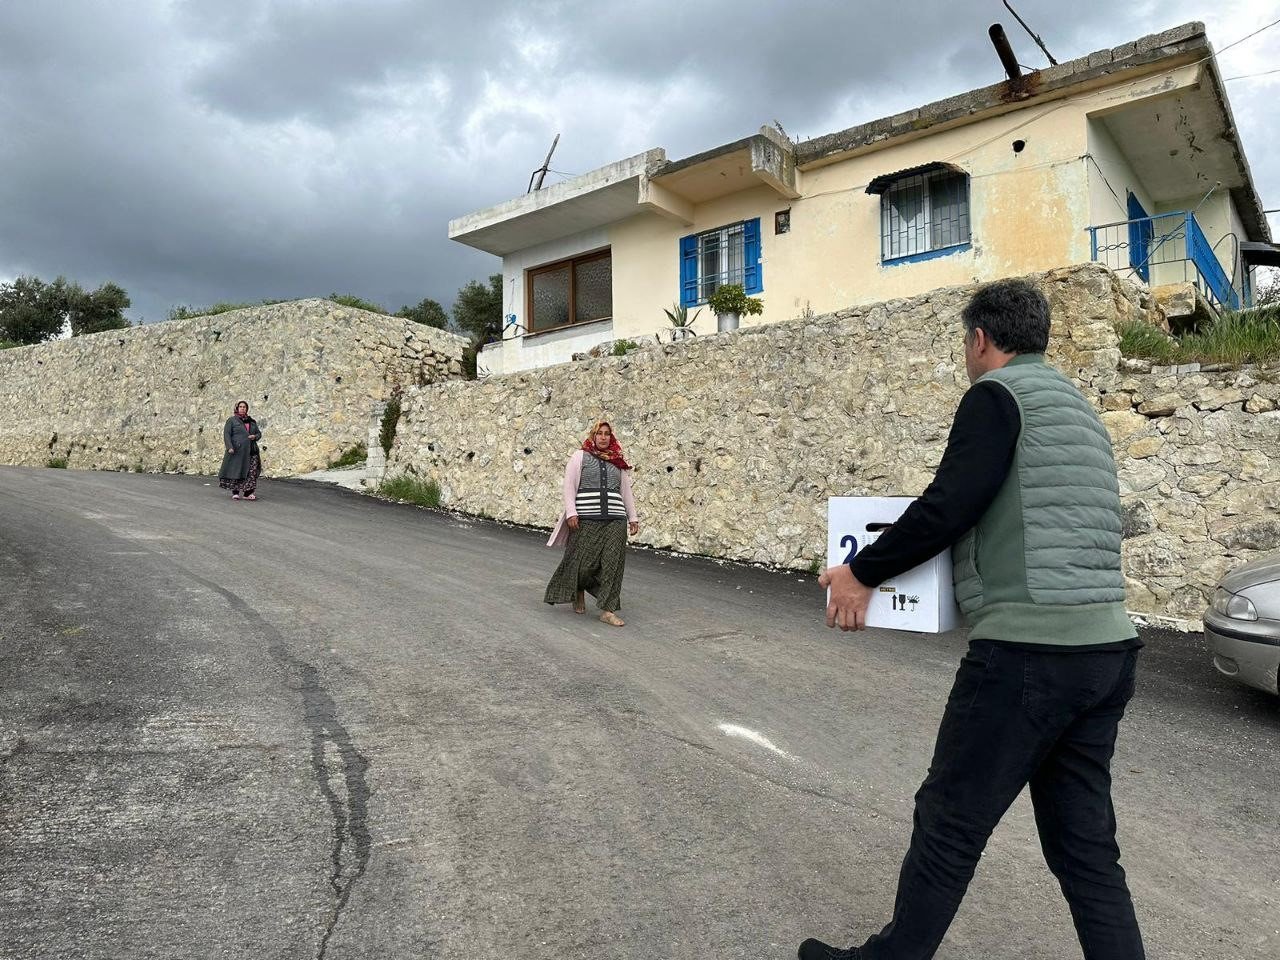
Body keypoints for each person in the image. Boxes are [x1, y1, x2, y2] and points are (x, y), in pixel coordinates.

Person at [802, 279, 1145, 960]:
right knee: (1085, 851)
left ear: (980, 340)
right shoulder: (1078, 410)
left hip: (1028, 652)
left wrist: (861, 572)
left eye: (965, 343)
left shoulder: (996, 397)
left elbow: (949, 503)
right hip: (1106, 651)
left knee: (950, 821)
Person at [544, 420, 640, 627]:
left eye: (607, 434)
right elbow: (569, 486)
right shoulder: (580, 456)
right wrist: (572, 512)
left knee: (613, 565)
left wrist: (632, 517)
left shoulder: (618, 461)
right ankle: (578, 588)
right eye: (599, 433)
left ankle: (608, 610)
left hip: (615, 519)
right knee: (583, 562)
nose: (603, 437)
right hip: (586, 518)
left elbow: (626, 492)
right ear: (593, 436)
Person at [218, 400, 263, 501]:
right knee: (236, 471)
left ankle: (248, 493)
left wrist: (254, 436)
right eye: (241, 407)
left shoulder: (252, 421)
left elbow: (259, 434)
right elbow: (227, 434)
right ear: (237, 408)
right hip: (237, 451)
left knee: (251, 472)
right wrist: (229, 447)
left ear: (247, 409)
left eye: (244, 407)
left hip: (251, 451)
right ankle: (235, 492)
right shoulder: (232, 420)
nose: (243, 408)